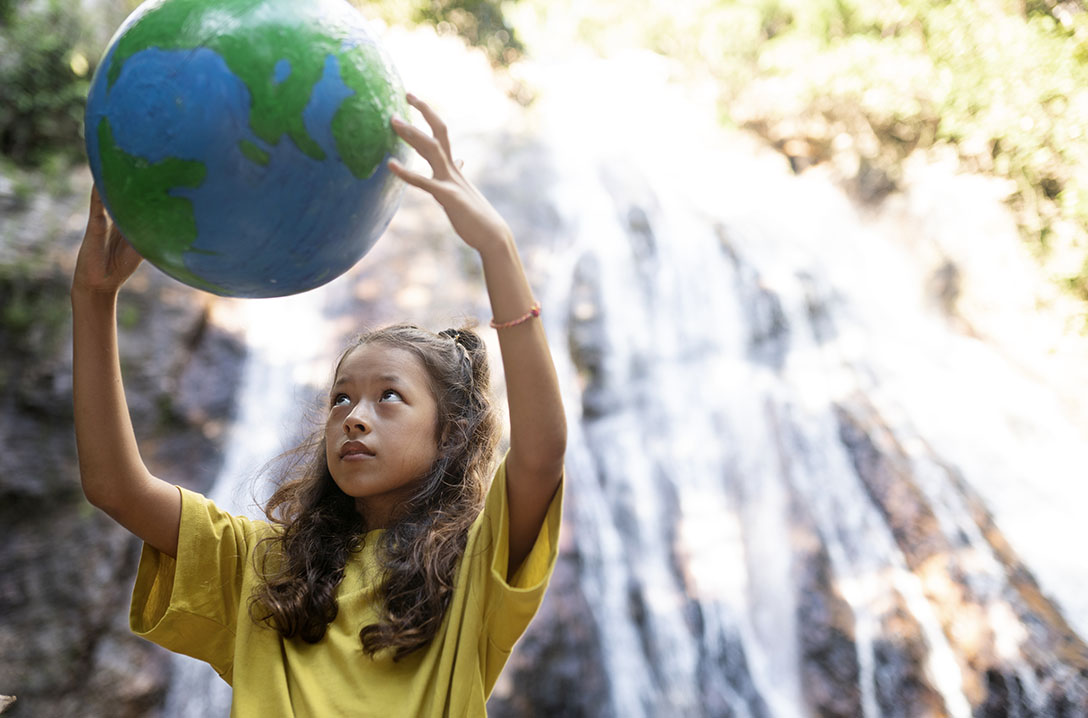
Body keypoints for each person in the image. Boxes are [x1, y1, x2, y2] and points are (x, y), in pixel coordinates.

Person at [71, 94, 566, 716]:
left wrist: (497, 247)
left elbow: (541, 455)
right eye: (340, 398)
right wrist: (93, 297)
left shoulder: (471, 571)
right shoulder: (264, 569)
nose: (353, 416)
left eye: (389, 397)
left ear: (451, 433)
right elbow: (115, 487)